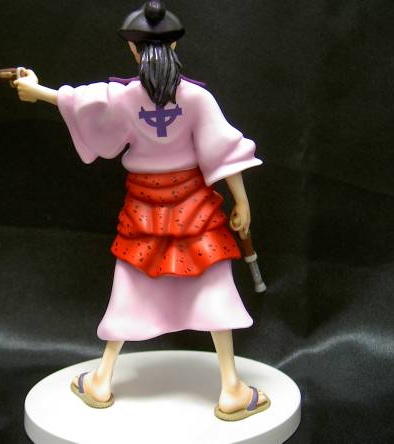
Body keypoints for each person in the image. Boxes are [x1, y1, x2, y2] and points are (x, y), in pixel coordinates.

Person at [14, 1, 269, 421]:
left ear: (134, 49)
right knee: (212, 281)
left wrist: (38, 90)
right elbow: (223, 150)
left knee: (133, 283)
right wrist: (241, 200)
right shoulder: (197, 97)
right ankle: (230, 388)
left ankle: (101, 379)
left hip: (146, 209)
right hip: (192, 206)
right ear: (174, 44)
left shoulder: (125, 97)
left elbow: (79, 101)